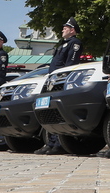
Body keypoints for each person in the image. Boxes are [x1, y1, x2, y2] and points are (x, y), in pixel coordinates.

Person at [35, 19, 83, 155]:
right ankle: (51, 142)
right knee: (50, 113)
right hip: (53, 81)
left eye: (65, 28)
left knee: (58, 113)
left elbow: (70, 64)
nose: (63, 30)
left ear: (72, 30)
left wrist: (62, 80)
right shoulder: (63, 44)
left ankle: (59, 144)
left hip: (60, 82)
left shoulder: (75, 43)